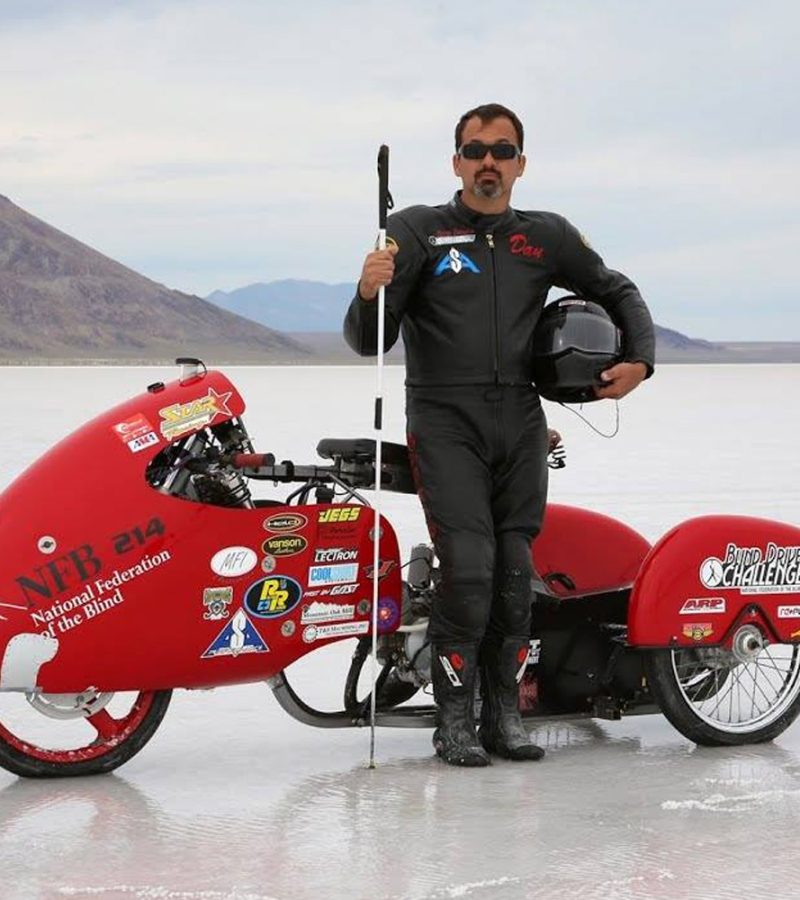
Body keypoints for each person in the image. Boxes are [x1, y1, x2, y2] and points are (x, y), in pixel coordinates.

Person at [344, 103, 655, 767]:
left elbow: (616, 288)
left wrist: (641, 360)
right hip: (443, 419)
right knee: (471, 568)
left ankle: (506, 717)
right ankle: (456, 722)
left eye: (503, 151)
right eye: (476, 150)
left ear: (521, 163)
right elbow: (367, 341)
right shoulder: (416, 231)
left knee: (516, 576)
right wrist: (369, 294)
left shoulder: (545, 238)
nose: (490, 162)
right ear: (456, 161)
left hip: (519, 421)